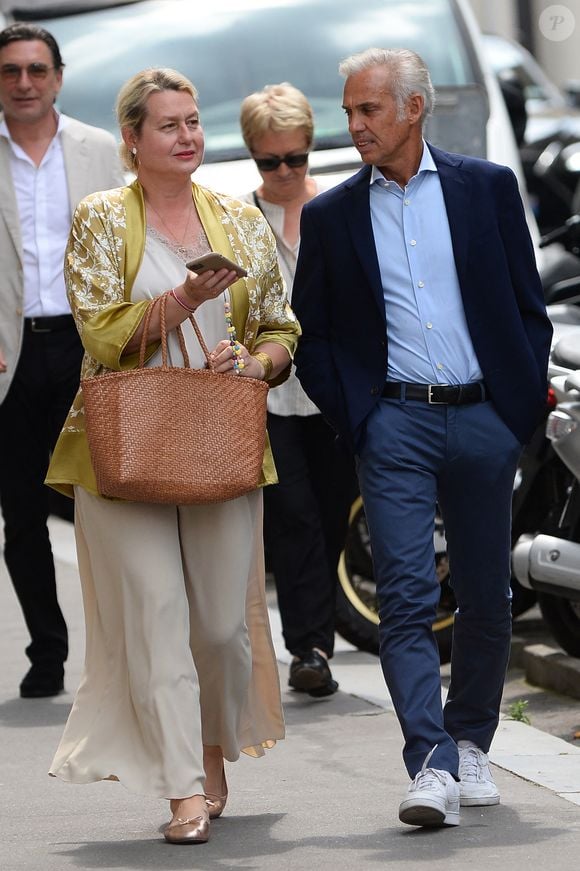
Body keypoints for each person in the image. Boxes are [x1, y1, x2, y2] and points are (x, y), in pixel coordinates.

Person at [291, 48, 552, 828]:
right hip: (394, 422)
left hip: (484, 419)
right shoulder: (331, 213)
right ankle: (431, 762)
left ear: (414, 109)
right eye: (349, 111)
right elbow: (317, 333)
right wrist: (361, 418)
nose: (355, 125)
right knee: (404, 595)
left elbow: (526, 303)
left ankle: (471, 741)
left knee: (486, 591)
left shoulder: (488, 189)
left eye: (368, 109)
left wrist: (513, 414)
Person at [45, 67, 299, 845]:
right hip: (127, 447)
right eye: (169, 125)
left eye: (193, 121)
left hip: (220, 438)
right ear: (132, 139)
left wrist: (255, 364)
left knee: (223, 626)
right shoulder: (99, 216)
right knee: (156, 614)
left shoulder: (237, 216)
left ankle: (213, 744)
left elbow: (280, 327)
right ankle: (184, 787)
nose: (188, 135)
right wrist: (185, 300)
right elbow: (98, 332)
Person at [0, 23, 125, 699]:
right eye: (11, 71)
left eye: (36, 70)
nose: (24, 83)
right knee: (21, 512)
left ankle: (119, 650)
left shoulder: (97, 149)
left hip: (87, 347)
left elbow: (125, 246)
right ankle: (47, 650)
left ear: (58, 76)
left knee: (104, 505)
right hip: (9, 355)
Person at [239, 83, 356, 698]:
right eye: (269, 160)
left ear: (310, 149)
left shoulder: (336, 208)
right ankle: (308, 648)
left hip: (333, 391)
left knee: (334, 512)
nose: (284, 171)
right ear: (253, 155)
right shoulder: (237, 219)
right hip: (268, 393)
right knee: (295, 515)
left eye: (295, 158)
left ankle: (320, 622)